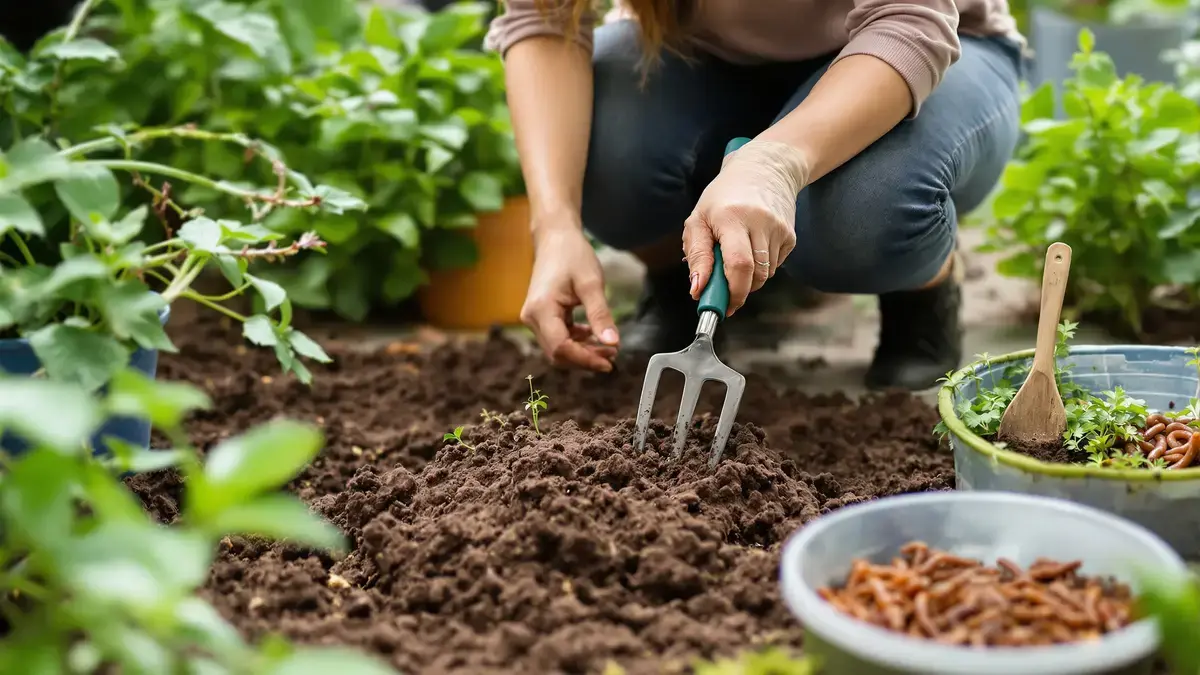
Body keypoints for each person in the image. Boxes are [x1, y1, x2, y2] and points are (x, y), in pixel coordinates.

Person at [486, 0, 1025, 390]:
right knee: (608, 156)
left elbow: (910, 21)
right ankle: (686, 285)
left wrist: (773, 162)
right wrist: (555, 224)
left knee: (861, 213)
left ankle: (921, 294)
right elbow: (544, 19)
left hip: (915, 53)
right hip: (709, 62)